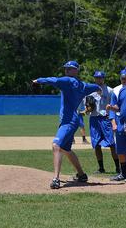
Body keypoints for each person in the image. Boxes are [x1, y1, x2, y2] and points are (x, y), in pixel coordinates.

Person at [33, 61, 101, 189]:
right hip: (73, 120)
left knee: (56, 145)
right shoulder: (83, 85)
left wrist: (38, 80)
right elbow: (95, 87)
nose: (67, 70)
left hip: (68, 121)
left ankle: (56, 179)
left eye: (70, 68)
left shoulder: (68, 81)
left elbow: (53, 80)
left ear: (76, 71)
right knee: (66, 149)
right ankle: (81, 175)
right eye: (66, 68)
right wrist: (99, 88)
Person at [87, 70, 120, 174]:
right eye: (97, 77)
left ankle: (118, 167)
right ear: (94, 78)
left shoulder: (110, 90)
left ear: (103, 78)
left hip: (105, 119)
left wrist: (112, 118)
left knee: (111, 144)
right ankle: (101, 168)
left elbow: (114, 106)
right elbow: (87, 107)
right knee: (96, 144)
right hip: (94, 119)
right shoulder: (90, 91)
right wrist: (88, 108)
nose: (98, 79)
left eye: (100, 78)